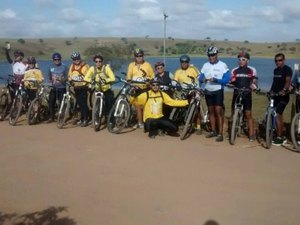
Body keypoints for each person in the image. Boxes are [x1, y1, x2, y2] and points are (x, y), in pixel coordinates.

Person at [199, 46, 230, 142]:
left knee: (218, 112)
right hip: (208, 90)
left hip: (218, 90)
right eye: (209, 55)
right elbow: (200, 77)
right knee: (211, 111)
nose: (211, 57)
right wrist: (202, 79)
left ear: (216, 55)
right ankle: (213, 131)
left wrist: (216, 80)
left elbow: (226, 79)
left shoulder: (223, 65)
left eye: (213, 55)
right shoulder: (205, 65)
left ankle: (220, 133)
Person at [229, 51, 258, 142]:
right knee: (233, 112)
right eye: (239, 59)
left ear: (248, 61)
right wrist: (230, 83)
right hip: (237, 93)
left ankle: (252, 134)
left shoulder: (251, 70)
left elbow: (254, 80)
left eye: (243, 59)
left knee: (248, 114)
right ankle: (232, 131)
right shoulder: (234, 70)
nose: (241, 61)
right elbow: (232, 81)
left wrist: (253, 86)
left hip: (247, 94)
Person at [126, 48, 155, 129]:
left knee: (141, 106)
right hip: (134, 88)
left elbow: (152, 76)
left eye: (141, 56)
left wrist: (149, 81)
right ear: (135, 57)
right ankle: (136, 121)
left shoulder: (147, 65)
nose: (139, 57)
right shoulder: (131, 65)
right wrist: (130, 83)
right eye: (137, 56)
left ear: (143, 56)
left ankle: (141, 122)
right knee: (135, 105)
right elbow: (128, 76)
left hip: (144, 88)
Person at [269, 53, 293, 146]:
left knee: (278, 114)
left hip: (283, 96)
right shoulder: (275, 70)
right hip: (275, 96)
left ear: (284, 60)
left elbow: (288, 81)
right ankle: (277, 133)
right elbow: (274, 82)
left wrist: (284, 90)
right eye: (276, 60)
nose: (278, 62)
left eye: (280, 60)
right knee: (274, 114)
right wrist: (270, 91)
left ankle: (280, 137)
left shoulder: (287, 69)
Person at [174, 54, 201, 133]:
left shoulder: (193, 69)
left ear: (188, 62)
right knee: (181, 106)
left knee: (197, 108)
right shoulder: (178, 72)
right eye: (182, 62)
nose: (184, 63)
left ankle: (198, 126)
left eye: (186, 62)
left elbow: (200, 78)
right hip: (183, 91)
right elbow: (175, 81)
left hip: (194, 90)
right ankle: (183, 123)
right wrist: (176, 85)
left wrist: (198, 87)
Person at [84, 53, 115, 119]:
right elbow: (86, 78)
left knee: (109, 106)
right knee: (96, 105)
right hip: (98, 89)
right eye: (96, 61)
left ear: (102, 62)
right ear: (94, 62)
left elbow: (113, 78)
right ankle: (97, 117)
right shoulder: (92, 68)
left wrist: (105, 80)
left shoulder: (106, 68)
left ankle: (111, 121)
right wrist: (91, 81)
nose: (98, 63)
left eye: (100, 61)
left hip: (106, 89)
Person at [68, 51, 90, 127]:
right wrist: (70, 81)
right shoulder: (72, 66)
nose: (76, 60)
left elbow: (89, 76)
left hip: (83, 88)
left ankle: (85, 119)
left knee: (83, 104)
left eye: (77, 59)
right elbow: (70, 75)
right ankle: (82, 118)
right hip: (76, 88)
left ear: (80, 58)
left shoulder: (85, 66)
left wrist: (87, 85)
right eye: (74, 59)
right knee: (80, 104)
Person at [47, 52, 69, 123]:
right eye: (55, 59)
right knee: (51, 103)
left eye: (58, 59)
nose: (57, 61)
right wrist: (50, 81)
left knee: (61, 103)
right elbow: (49, 77)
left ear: (60, 59)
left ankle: (62, 117)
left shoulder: (64, 67)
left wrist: (63, 80)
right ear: (53, 60)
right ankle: (51, 117)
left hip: (62, 88)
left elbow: (67, 77)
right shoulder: (50, 66)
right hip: (53, 88)